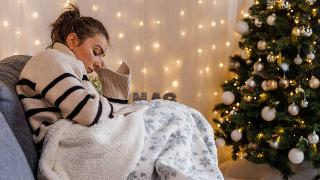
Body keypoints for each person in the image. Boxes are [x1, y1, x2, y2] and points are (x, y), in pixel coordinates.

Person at [16, 5, 223, 180]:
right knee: (172, 115)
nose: (98, 62)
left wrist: (111, 86)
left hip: (77, 132)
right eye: (96, 51)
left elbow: (103, 112)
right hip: (66, 141)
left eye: (102, 55)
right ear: (72, 41)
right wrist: (118, 108)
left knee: (181, 114)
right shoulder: (51, 60)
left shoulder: (72, 70)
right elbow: (87, 113)